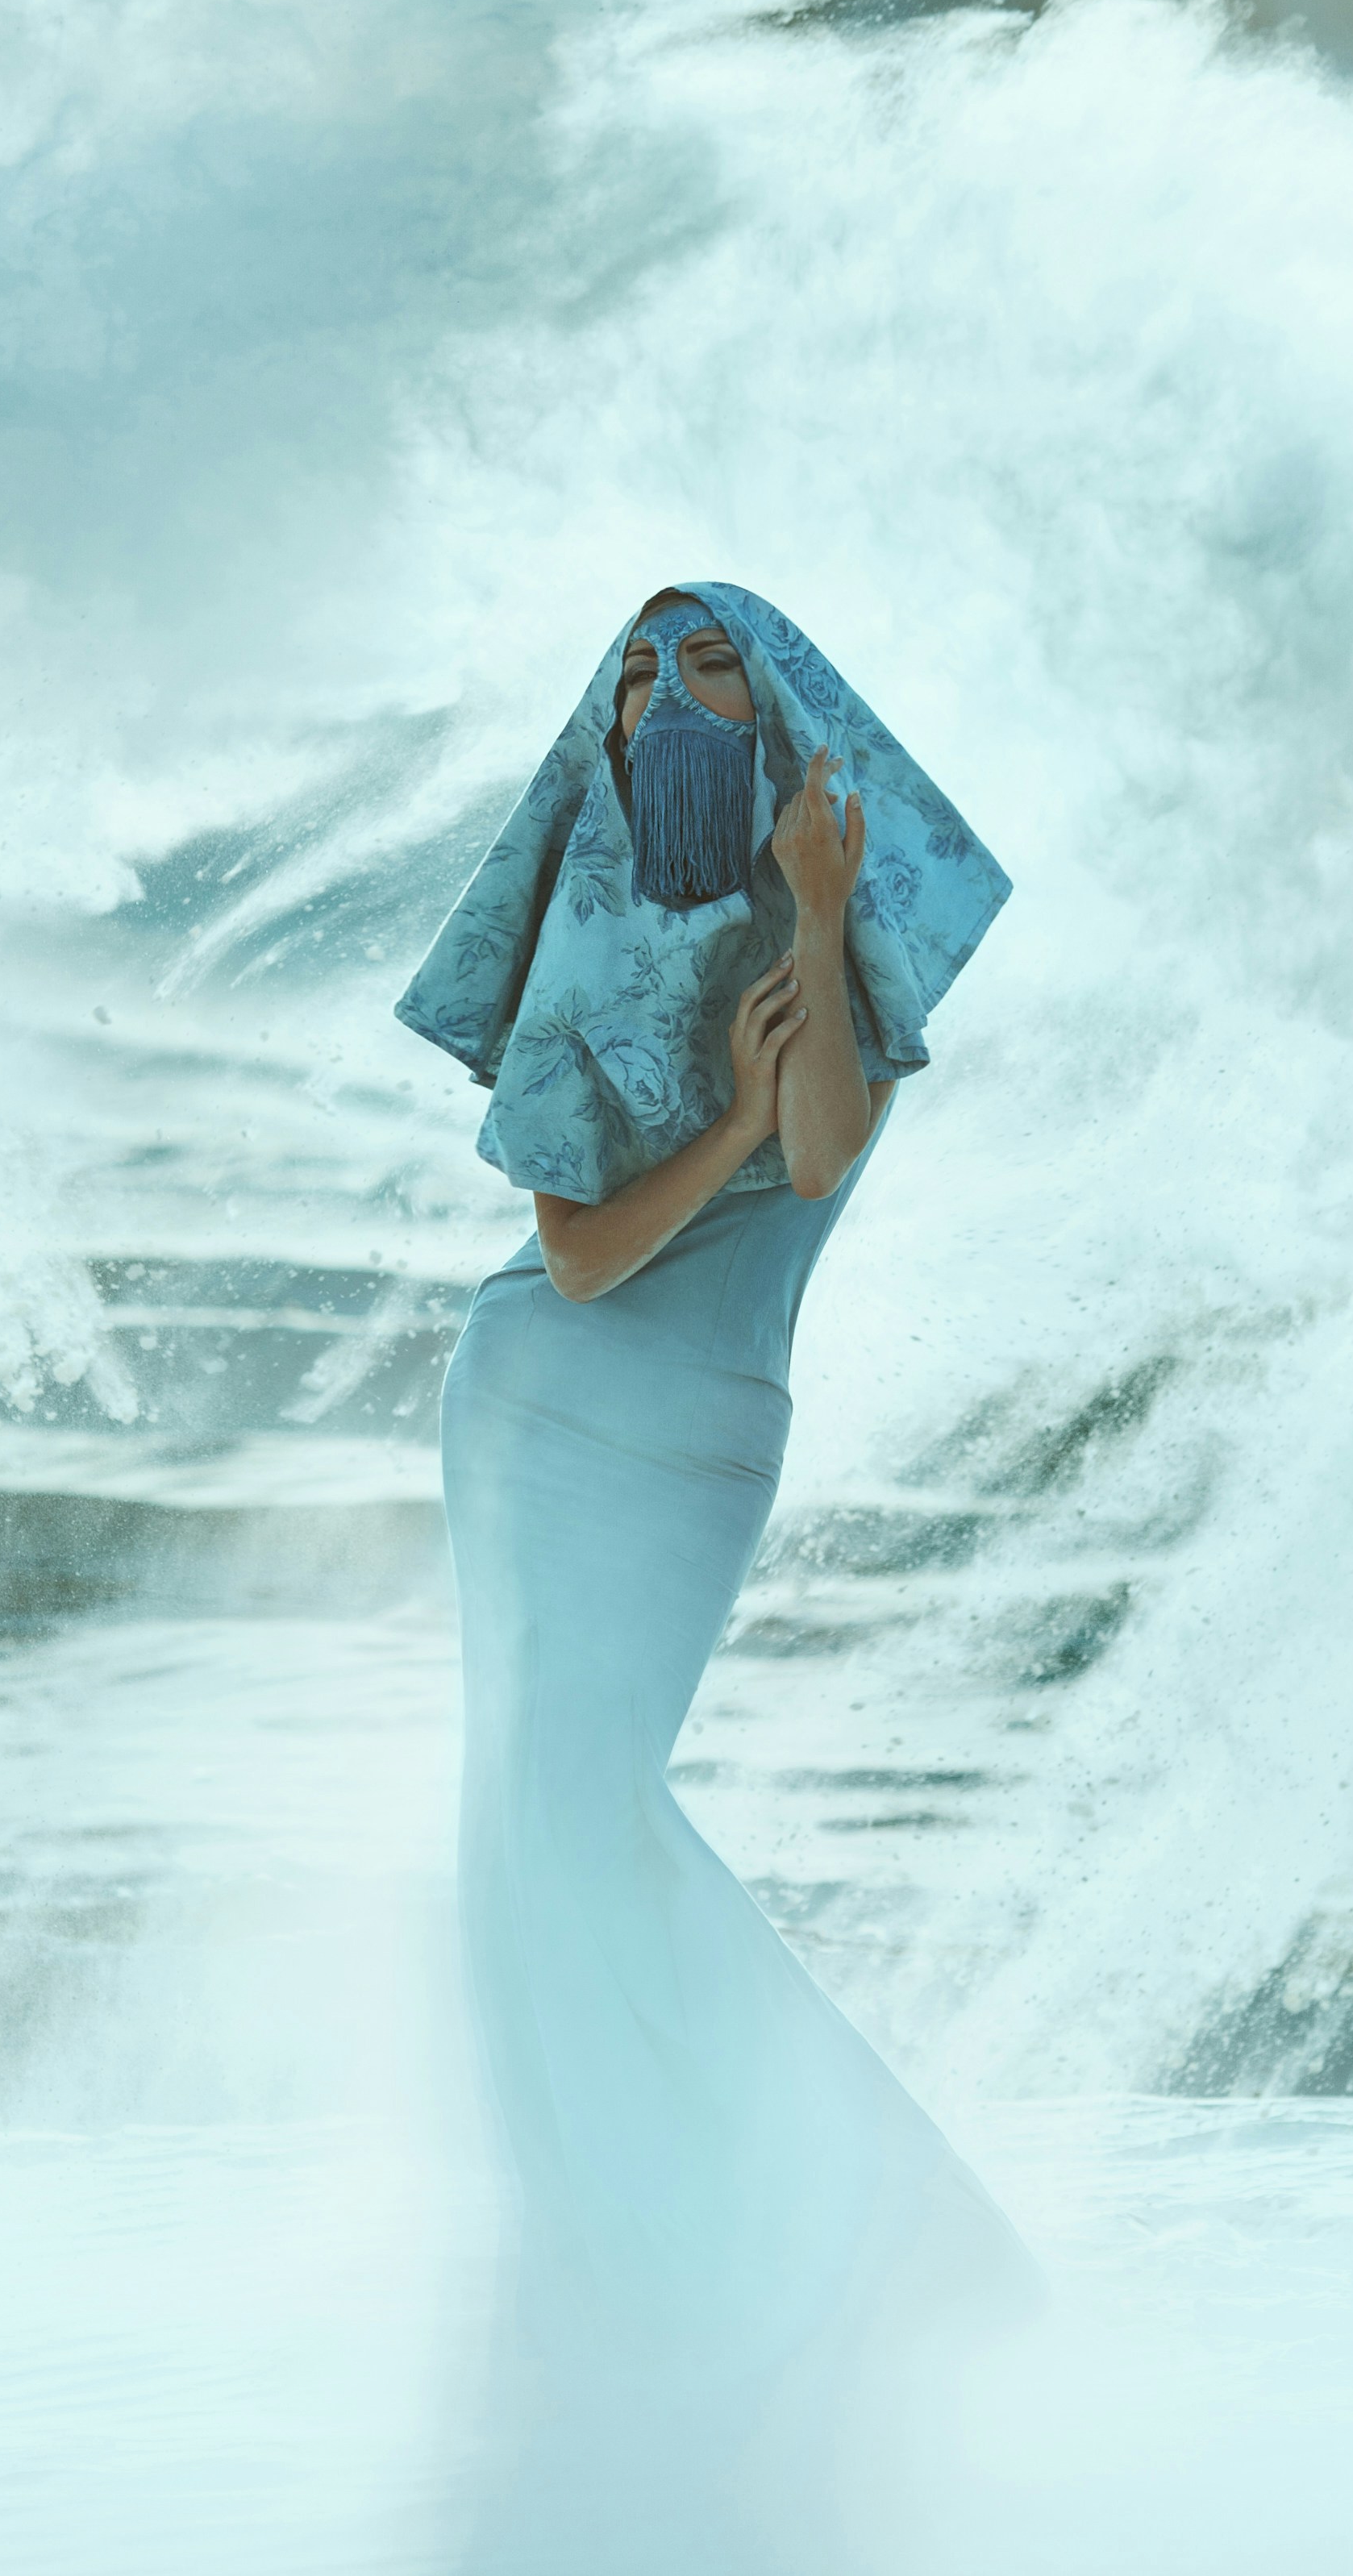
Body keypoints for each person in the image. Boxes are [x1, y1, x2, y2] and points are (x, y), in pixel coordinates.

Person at [397, 581, 1035, 2574]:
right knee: (535, 1832)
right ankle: (622, 2262)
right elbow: (580, 1251)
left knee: (581, 1819)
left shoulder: (816, 924)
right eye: (630, 671)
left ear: (773, 707)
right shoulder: (596, 916)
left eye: (703, 665)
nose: (662, 693)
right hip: (537, 1401)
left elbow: (829, 1160)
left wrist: (821, 923)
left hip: (699, 1437)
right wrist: (734, 1116)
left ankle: (839, 2227)